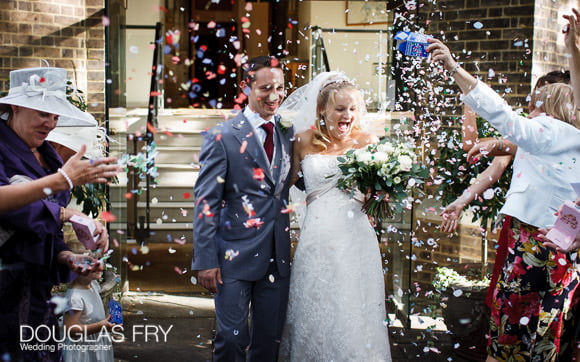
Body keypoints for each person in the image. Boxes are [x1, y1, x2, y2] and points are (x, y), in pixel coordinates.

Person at [428, 37, 580, 361]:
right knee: (543, 336)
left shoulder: (547, 132)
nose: (530, 109)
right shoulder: (570, 142)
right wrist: (463, 199)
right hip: (562, 251)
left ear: (550, 107)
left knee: (509, 336)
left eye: (536, 101)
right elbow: (496, 166)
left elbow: (502, 116)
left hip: (533, 249)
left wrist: (455, 69)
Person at [0, 67, 116, 361]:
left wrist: (67, 257)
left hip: (38, 293)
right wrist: (64, 195)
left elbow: (42, 229)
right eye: (43, 113)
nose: (50, 123)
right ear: (15, 105)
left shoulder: (46, 154)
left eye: (55, 116)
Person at [279, 72, 392, 360]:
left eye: (353, 109)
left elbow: (378, 190)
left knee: (355, 303)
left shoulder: (368, 141)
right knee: (316, 300)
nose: (348, 115)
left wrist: (382, 194)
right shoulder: (302, 141)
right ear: (322, 109)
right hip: (317, 237)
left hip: (356, 238)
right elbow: (286, 183)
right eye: (340, 109)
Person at [191, 55, 293, 361]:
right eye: (265, 88)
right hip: (233, 257)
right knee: (231, 340)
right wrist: (205, 260)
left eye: (280, 88)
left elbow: (299, 179)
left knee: (268, 343)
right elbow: (206, 202)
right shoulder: (222, 137)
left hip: (277, 255)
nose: (274, 96)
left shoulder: (289, 133)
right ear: (244, 87)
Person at [439, 70, 571, 233]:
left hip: (559, 225)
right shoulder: (528, 130)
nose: (537, 100)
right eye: (538, 94)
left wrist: (500, 144)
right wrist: (462, 200)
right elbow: (495, 167)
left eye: (546, 96)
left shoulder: (568, 135)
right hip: (526, 219)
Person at [62, 268, 116, 362]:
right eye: (91, 262)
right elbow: (70, 330)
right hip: (83, 352)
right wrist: (100, 326)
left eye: (99, 260)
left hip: (97, 344)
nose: (100, 267)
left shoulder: (93, 285)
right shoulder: (75, 297)